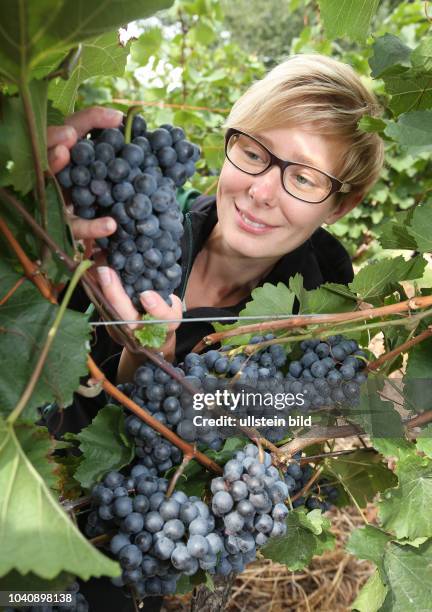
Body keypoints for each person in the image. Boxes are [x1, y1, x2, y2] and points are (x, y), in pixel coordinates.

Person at [47, 53, 384, 608]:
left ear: (340, 205)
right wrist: (33, 225)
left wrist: (146, 365)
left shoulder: (315, 327)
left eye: (302, 177)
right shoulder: (141, 213)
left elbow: (226, 459)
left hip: (122, 548)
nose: (260, 191)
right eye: (253, 153)